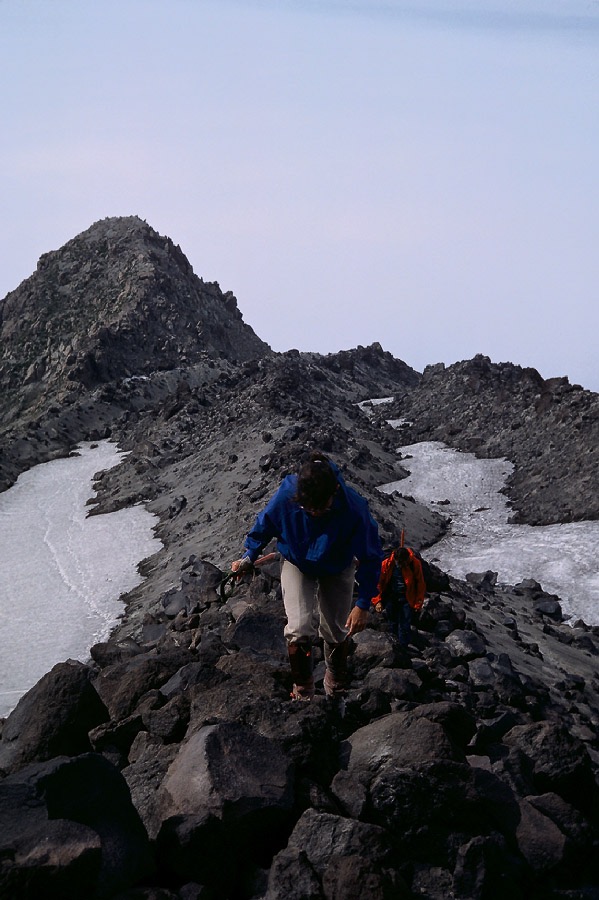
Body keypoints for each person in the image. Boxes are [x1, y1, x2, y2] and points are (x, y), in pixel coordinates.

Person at [231, 451, 383, 700]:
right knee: (299, 628)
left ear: (334, 492)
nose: (313, 513)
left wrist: (363, 603)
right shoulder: (288, 493)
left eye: (319, 509)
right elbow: (266, 522)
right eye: (307, 508)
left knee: (336, 629)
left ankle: (335, 684)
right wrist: (249, 556)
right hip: (297, 561)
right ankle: (303, 689)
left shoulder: (354, 508)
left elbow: (371, 556)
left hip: (337, 565)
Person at [372, 545, 426, 649]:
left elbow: (420, 584)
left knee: (405, 625)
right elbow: (378, 582)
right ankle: (394, 647)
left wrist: (418, 604)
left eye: (403, 563)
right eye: (399, 563)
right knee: (392, 623)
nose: (401, 565)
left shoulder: (414, 564)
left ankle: (403, 649)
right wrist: (377, 601)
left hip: (407, 598)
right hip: (391, 596)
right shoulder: (387, 564)